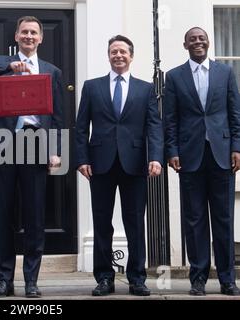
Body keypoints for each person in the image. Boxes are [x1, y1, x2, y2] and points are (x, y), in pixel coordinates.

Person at [0, 16, 64, 298]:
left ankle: (32, 281)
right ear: (16, 36)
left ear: (41, 38)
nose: (29, 36)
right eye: (24, 32)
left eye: (33, 32)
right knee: (3, 214)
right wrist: (8, 65)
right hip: (3, 143)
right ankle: (4, 280)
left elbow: (58, 115)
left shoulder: (52, 71)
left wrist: (56, 149)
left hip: (36, 142)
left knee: (35, 216)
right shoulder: (0, 63)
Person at [75, 35, 163, 296]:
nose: (118, 55)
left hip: (135, 164)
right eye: (114, 51)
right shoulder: (92, 87)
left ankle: (137, 277)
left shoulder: (145, 89)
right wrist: (82, 159)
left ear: (131, 56)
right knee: (102, 222)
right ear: (109, 55)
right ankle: (104, 277)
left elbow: (154, 126)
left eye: (123, 51)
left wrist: (155, 156)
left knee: (135, 221)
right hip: (100, 164)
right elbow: (81, 128)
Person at [163, 27, 240, 296]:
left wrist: (237, 147)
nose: (198, 42)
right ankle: (198, 278)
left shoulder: (225, 73)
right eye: (192, 39)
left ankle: (228, 279)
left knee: (224, 218)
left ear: (208, 42)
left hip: (222, 155)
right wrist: (171, 150)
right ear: (185, 45)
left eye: (201, 38)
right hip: (189, 157)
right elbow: (169, 119)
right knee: (194, 219)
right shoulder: (173, 77)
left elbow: (235, 113)